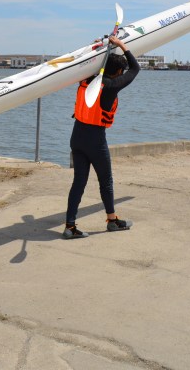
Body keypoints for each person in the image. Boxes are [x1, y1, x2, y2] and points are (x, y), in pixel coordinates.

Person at [63, 35, 140, 239]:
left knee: (79, 182)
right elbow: (135, 69)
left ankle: (70, 227)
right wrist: (122, 45)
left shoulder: (85, 80)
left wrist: (101, 45)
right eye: (120, 72)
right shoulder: (112, 86)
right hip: (95, 140)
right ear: (117, 72)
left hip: (76, 136)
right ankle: (112, 221)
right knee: (105, 181)